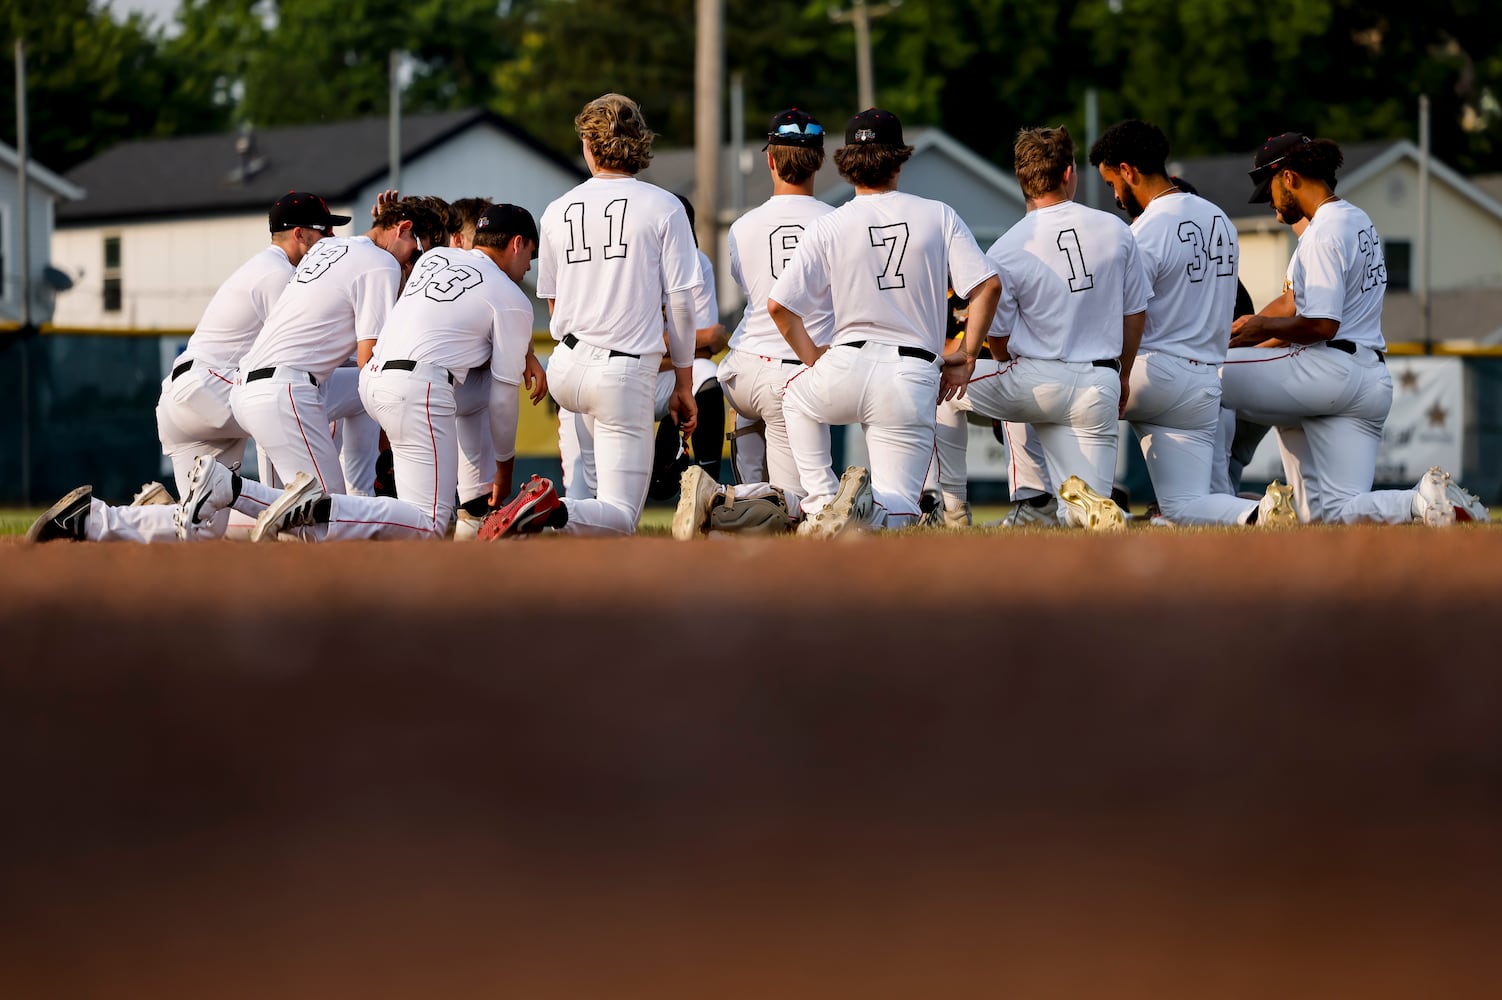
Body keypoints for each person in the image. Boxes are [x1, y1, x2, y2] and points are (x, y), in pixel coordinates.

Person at [25, 191, 347, 543]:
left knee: (204, 525)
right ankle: (296, 520)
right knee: (286, 400)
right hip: (213, 388)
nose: (330, 239)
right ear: (299, 234)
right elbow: (291, 357)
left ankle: (90, 519)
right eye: (324, 231)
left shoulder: (262, 267)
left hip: (183, 400)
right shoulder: (280, 274)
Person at [233, 203, 544, 542]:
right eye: (532, 251)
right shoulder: (511, 296)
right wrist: (504, 470)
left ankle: (242, 492)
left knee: (410, 515)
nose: (530, 264)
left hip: (373, 378)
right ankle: (312, 505)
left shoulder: (431, 259)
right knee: (429, 523)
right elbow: (502, 399)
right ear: (516, 243)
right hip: (416, 386)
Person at [1222, 132, 1487, 524]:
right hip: (1369, 379)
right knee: (1333, 511)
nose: (1272, 204)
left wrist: (1257, 329)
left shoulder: (1324, 232)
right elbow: (1294, 303)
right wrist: (1250, 333)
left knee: (1200, 375)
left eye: (1271, 189)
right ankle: (1422, 501)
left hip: (1327, 369)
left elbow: (1323, 324)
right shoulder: (1357, 219)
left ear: (1290, 177)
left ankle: (1201, 497)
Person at [765, 107, 1001, 538]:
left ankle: (822, 502)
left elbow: (780, 307)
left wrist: (816, 360)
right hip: (912, 372)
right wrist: (966, 355)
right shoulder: (938, 214)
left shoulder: (829, 224)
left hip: (847, 361)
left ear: (846, 161)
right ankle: (859, 508)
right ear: (900, 157)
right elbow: (987, 287)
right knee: (901, 510)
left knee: (795, 397)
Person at [485, 92, 701, 537]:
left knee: (593, 514)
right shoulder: (665, 206)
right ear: (639, 139)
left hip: (567, 363)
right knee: (621, 517)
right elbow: (680, 305)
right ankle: (546, 508)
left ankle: (548, 521)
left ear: (589, 144)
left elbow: (553, 303)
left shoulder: (557, 209)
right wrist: (683, 381)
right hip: (622, 372)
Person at [172, 196, 448, 540]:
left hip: (250, 387)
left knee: (311, 519)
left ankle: (220, 496)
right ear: (404, 229)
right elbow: (369, 360)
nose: (413, 265)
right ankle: (229, 487)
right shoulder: (382, 265)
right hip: (286, 390)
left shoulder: (326, 250)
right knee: (329, 516)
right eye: (417, 253)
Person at [933, 125, 1149, 531]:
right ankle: (1112, 514)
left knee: (942, 387)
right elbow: (1135, 313)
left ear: (1021, 178)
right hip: (1099, 383)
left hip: (1035, 383)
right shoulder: (1116, 229)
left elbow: (996, 336)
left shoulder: (1009, 246)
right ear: (1069, 173)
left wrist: (1003, 365)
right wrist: (1122, 374)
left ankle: (953, 511)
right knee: (1087, 511)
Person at [1088, 118, 1295, 526]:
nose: (1115, 194)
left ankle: (1061, 499)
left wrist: (1120, 374)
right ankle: (1259, 513)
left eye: (1114, 182)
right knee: (1188, 505)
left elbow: (1126, 315)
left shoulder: (1144, 231)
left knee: (1053, 390)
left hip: (1154, 371)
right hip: (1205, 382)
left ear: (1128, 171)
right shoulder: (1219, 219)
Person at [673, 108, 836, 539]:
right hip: (795, 371)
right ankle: (712, 496)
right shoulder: (836, 223)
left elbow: (751, 289)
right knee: (792, 506)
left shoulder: (742, 226)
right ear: (820, 159)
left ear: (770, 160)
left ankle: (726, 498)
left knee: (758, 488)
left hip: (742, 366)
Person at [645, 193, 729, 499]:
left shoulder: (697, 263)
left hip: (673, 376)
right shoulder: (638, 264)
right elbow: (705, 340)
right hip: (627, 374)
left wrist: (667, 348)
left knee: (708, 373)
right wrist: (699, 339)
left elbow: (706, 354)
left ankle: (708, 491)